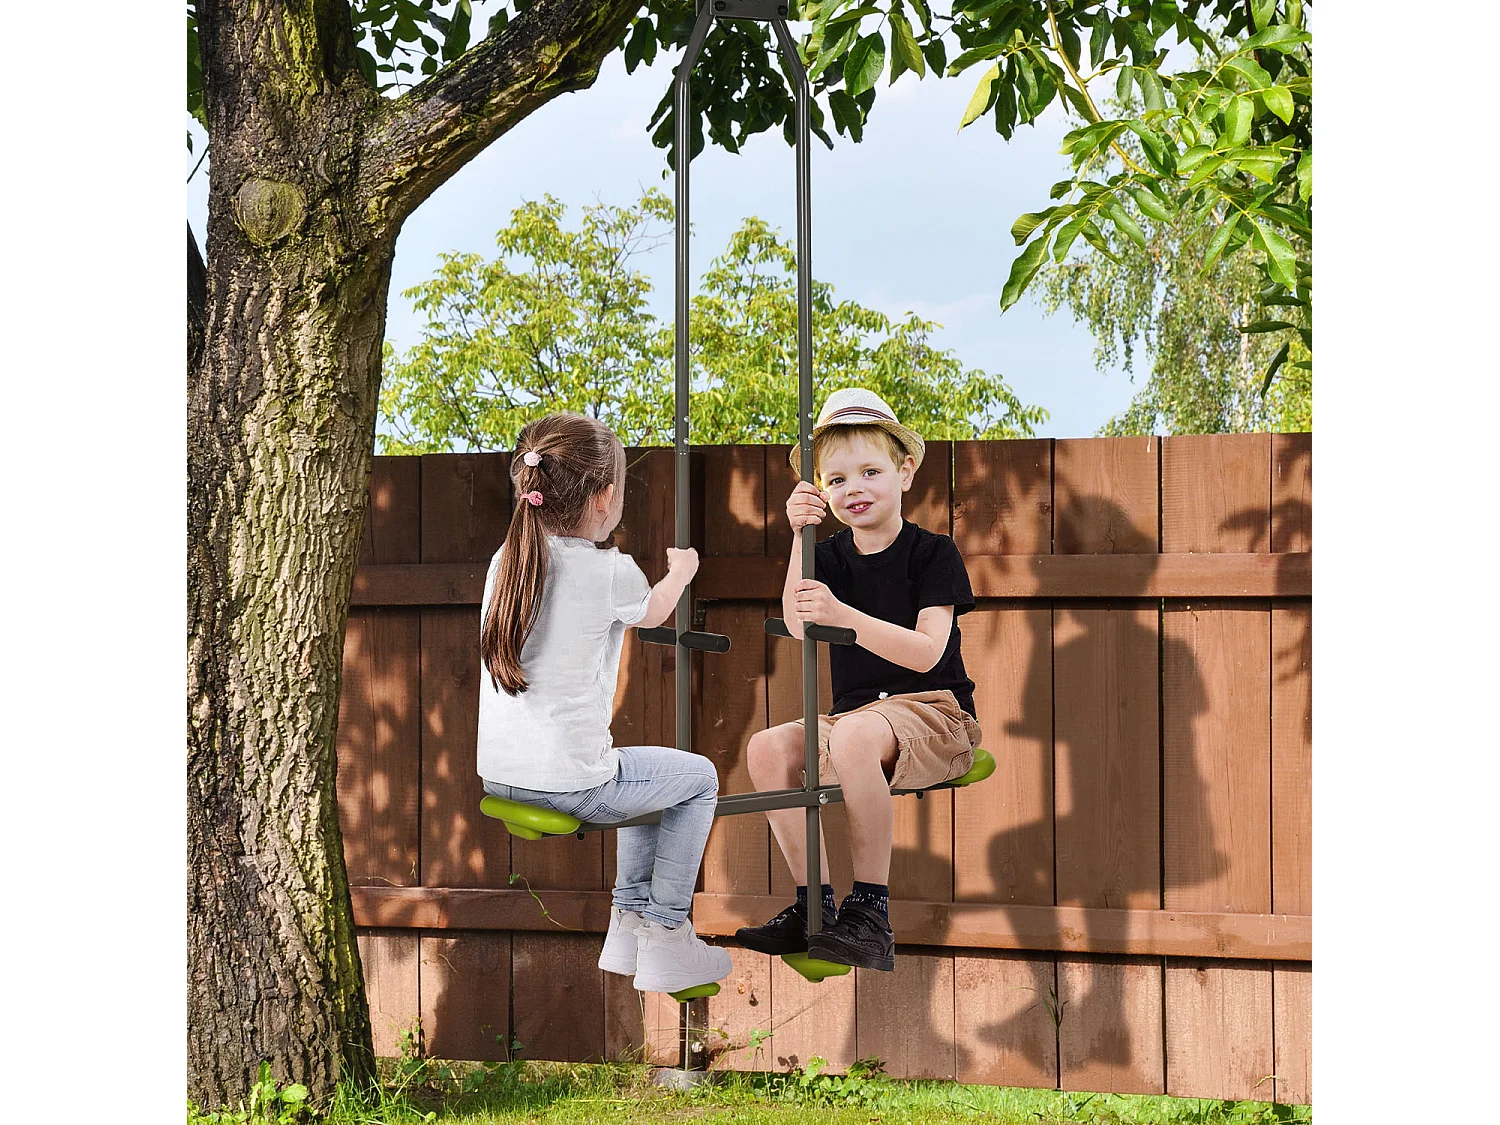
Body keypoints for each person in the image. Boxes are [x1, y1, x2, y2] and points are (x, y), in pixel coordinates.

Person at [476, 411, 731, 995]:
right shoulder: (607, 569)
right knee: (697, 781)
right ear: (606, 497)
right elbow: (656, 611)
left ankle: (627, 930)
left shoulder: (505, 563)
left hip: (502, 775)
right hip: (566, 781)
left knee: (644, 780)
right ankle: (664, 933)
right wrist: (682, 572)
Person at [735, 388, 982, 972]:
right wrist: (799, 539)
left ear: (905, 473)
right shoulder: (829, 557)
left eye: (870, 471)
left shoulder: (933, 554)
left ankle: (870, 912)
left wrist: (845, 617)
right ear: (820, 491)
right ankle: (812, 904)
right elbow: (798, 624)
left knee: (850, 738)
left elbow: (925, 654)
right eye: (838, 479)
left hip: (935, 714)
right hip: (856, 722)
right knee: (767, 748)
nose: (855, 489)